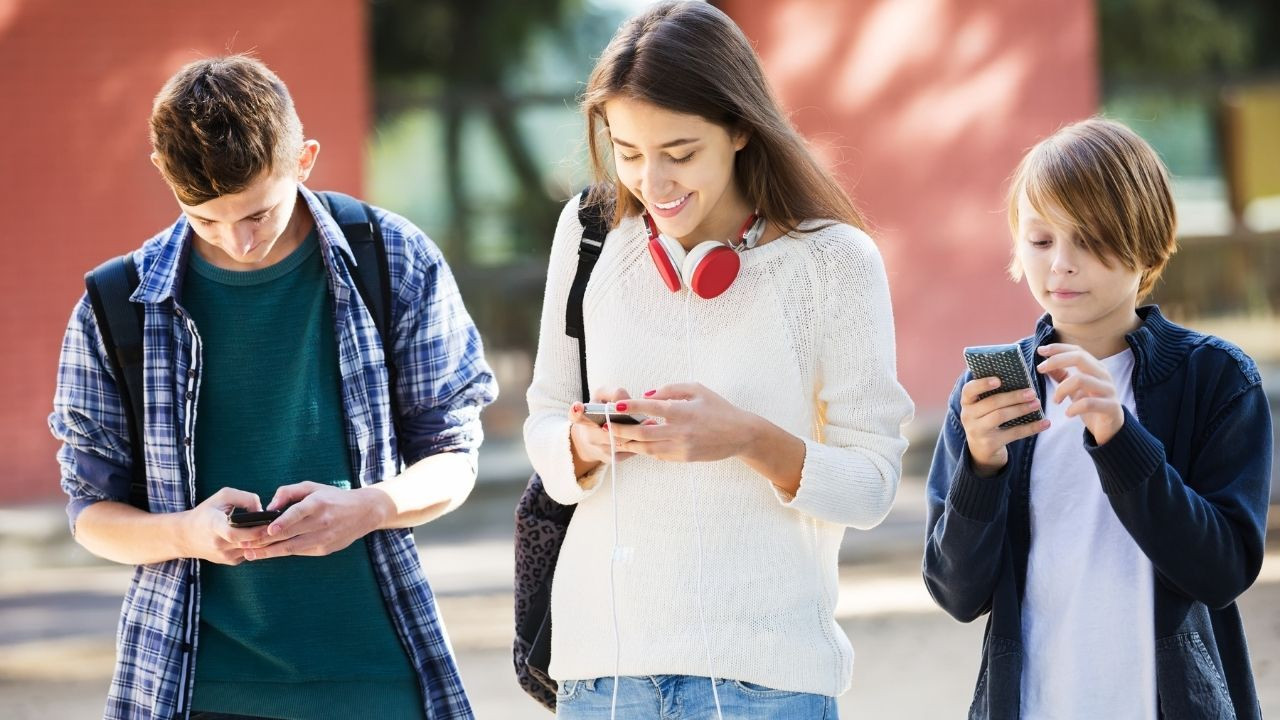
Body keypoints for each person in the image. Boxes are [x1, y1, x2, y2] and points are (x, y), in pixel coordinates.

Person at [48, 55, 496, 720]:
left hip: (377, 681)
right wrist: (189, 534)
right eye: (205, 219)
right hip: (195, 690)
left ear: (305, 160)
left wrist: (369, 507)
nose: (239, 241)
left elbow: (454, 460)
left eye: (259, 213)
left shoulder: (393, 259)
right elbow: (90, 515)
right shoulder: (117, 304)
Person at [522, 3, 914, 718]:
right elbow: (544, 420)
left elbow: (873, 486)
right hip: (604, 677)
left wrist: (749, 439)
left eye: (679, 152)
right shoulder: (586, 235)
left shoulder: (834, 263)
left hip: (766, 681)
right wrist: (579, 444)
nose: (654, 182)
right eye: (629, 153)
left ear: (740, 128)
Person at [923, 117, 1272, 719]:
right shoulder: (987, 394)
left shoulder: (1216, 380)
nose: (1061, 264)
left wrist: (1119, 438)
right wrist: (980, 470)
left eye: (1089, 239)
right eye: (1040, 241)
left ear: (1149, 240)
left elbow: (1222, 571)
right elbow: (957, 594)